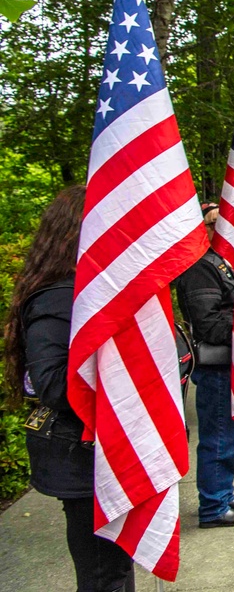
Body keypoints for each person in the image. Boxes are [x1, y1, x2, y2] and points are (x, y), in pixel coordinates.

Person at [3, 186, 137, 590]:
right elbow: (52, 385)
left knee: (117, 569)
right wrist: (124, 370)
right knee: (103, 575)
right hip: (82, 456)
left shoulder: (89, 291)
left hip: (105, 451)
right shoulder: (58, 298)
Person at [174, 203, 234, 529]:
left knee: (230, 435)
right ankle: (213, 506)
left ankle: (223, 493)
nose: (224, 230)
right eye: (215, 224)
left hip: (230, 365)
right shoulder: (200, 268)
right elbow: (209, 325)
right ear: (204, 229)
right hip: (215, 367)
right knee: (218, 437)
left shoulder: (222, 265)